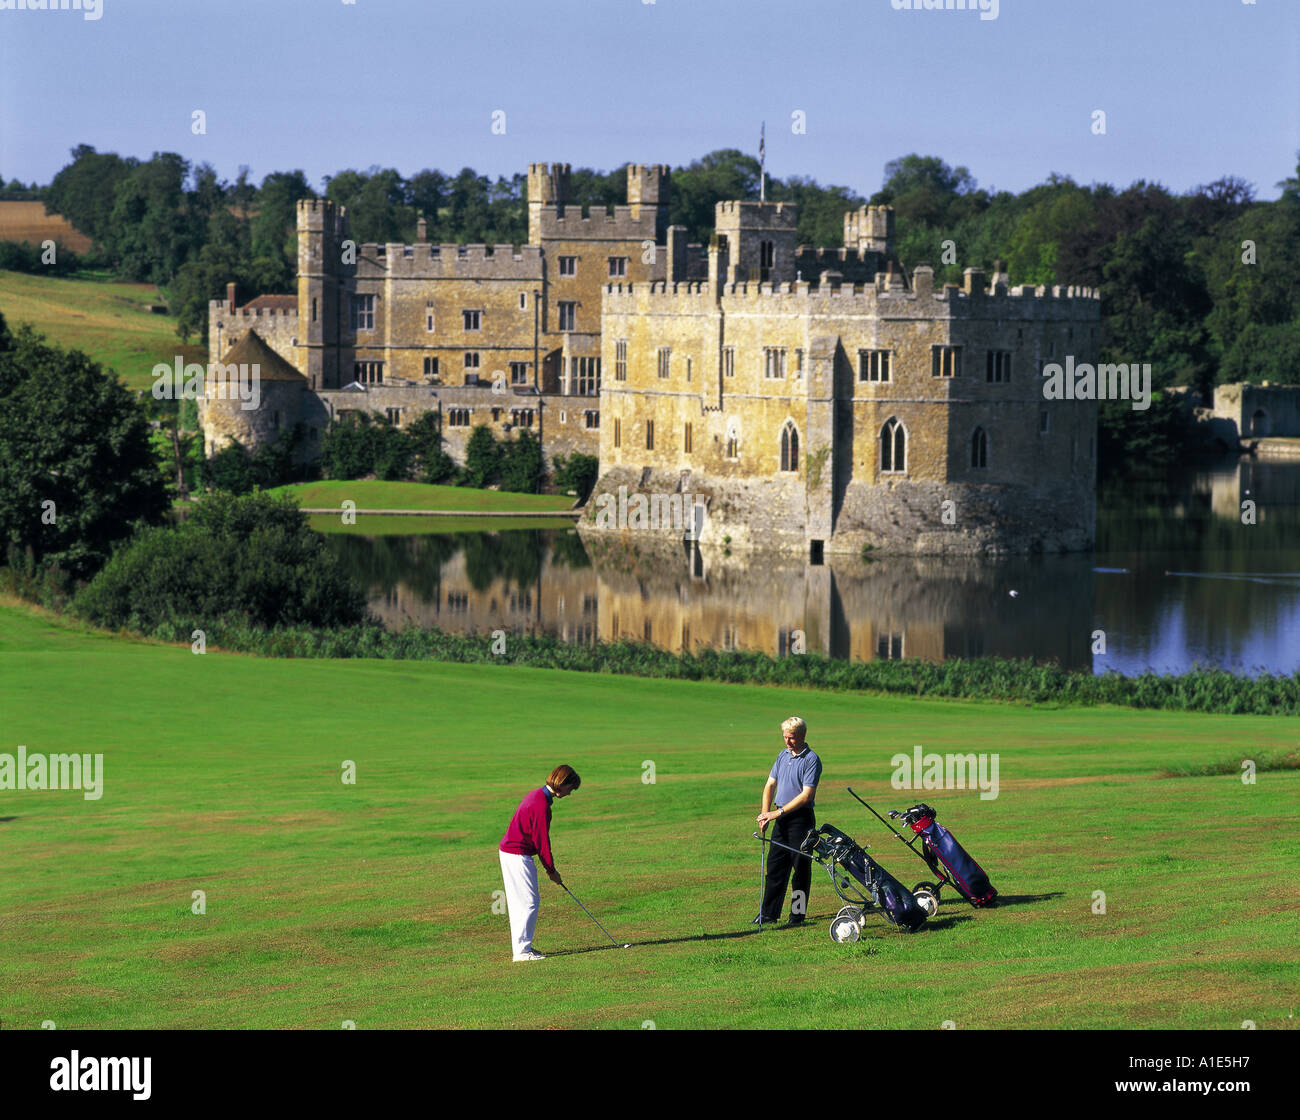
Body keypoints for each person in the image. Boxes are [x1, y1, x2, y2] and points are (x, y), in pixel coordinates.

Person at [498, 764, 581, 962]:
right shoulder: (540, 805)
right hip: (517, 854)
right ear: (563, 784)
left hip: (513, 853)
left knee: (524, 902)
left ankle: (522, 948)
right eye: (571, 789)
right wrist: (551, 871)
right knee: (528, 902)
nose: (570, 794)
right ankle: (522, 952)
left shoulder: (539, 796)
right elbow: (542, 842)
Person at [755, 717, 821, 927]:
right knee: (775, 868)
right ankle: (768, 914)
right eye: (785, 737)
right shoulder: (782, 756)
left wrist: (777, 813)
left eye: (791, 738)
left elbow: (806, 796)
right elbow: (769, 785)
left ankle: (797, 915)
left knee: (801, 870)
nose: (787, 742)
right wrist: (766, 814)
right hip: (780, 819)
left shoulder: (811, 759)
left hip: (800, 821)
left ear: (802, 736)